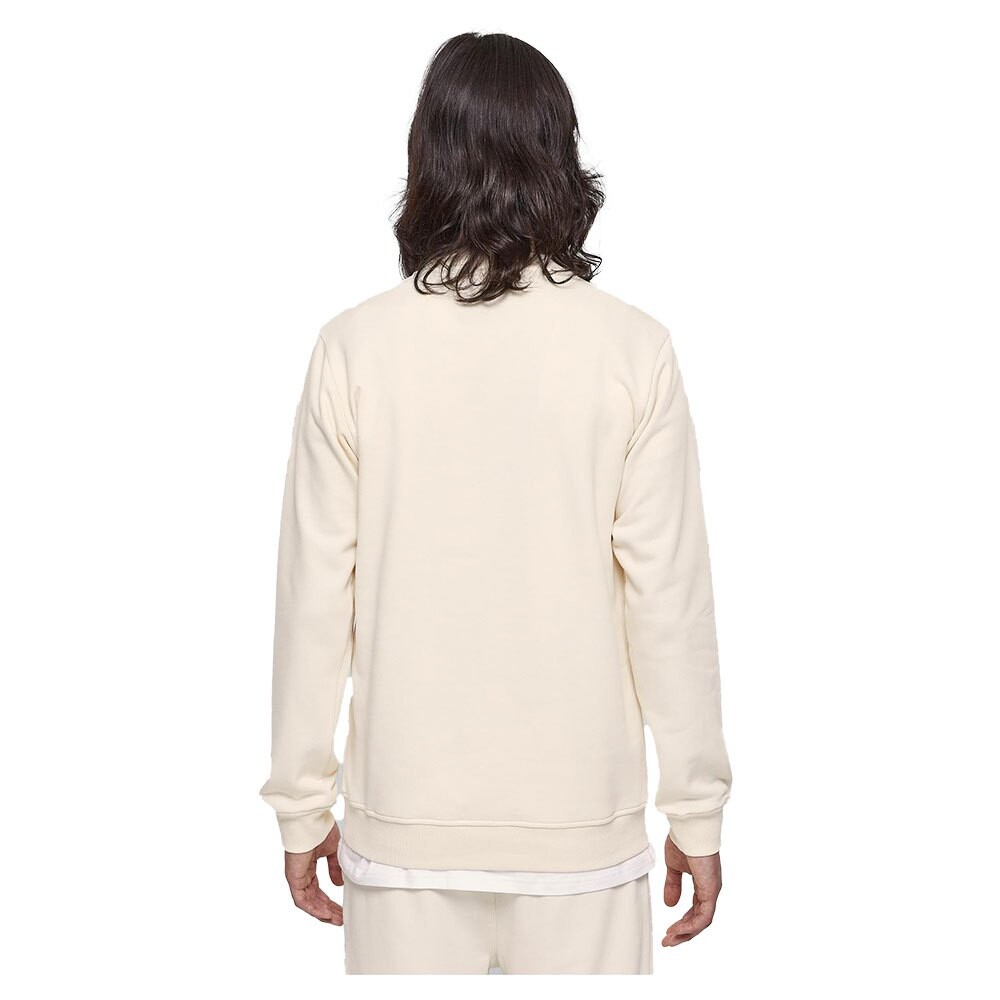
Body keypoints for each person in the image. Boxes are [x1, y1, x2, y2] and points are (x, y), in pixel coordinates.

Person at [258, 31, 733, 975]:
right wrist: (696, 809)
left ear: (427, 157)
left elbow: (314, 599)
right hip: (581, 830)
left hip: (406, 827)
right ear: (559, 154)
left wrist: (302, 808)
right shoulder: (630, 350)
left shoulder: (356, 348)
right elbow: (668, 600)